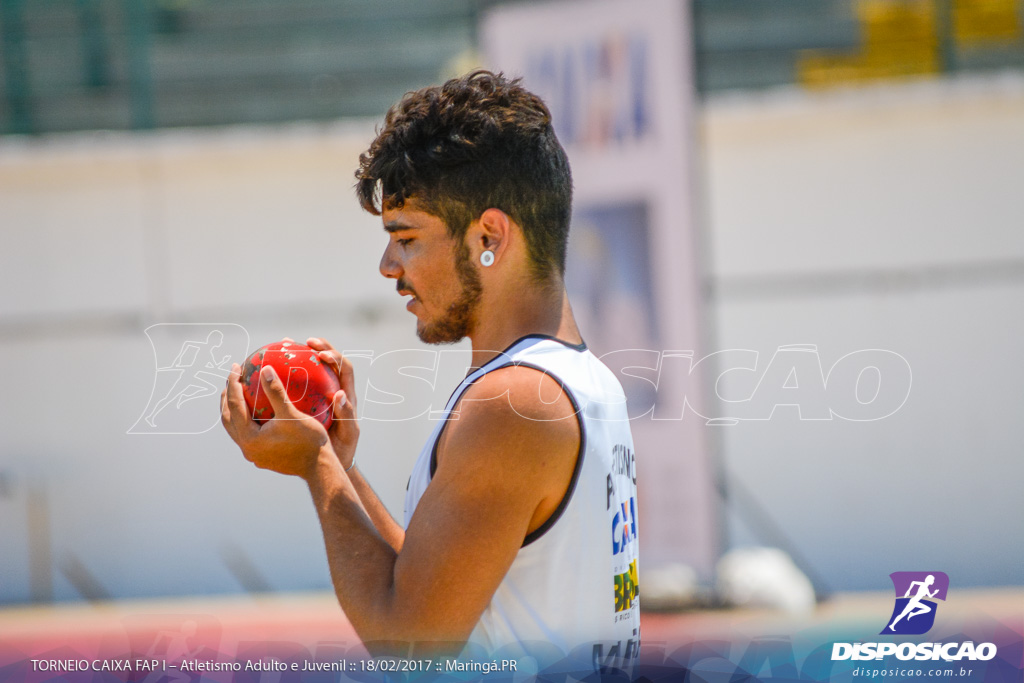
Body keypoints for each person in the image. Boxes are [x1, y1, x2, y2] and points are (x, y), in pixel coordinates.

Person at [220, 71, 639, 669]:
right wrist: (341, 467)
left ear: (488, 235)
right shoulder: (580, 378)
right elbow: (436, 592)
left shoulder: (514, 404)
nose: (388, 265)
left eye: (407, 237)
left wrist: (315, 468)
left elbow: (411, 644)